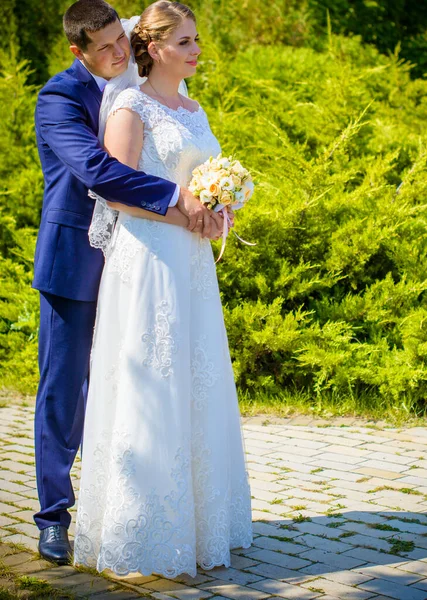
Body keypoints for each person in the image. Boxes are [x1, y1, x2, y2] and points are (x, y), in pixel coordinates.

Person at [33, 0, 223, 564]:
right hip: (76, 261)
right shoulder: (60, 98)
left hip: (141, 261)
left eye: (122, 39)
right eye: (106, 47)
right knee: (65, 393)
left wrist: (213, 205)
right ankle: (52, 518)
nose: (119, 52)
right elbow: (97, 171)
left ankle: (120, 509)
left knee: (134, 391)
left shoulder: (142, 83)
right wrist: (177, 200)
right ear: (79, 51)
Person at [73, 0, 252, 579]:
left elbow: (206, 183)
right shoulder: (130, 107)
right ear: (154, 49)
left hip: (193, 263)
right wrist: (189, 215)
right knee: (154, 377)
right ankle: (144, 527)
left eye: (197, 40)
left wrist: (221, 212)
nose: (197, 51)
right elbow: (120, 193)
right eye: (185, 43)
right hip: (150, 258)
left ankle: (200, 522)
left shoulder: (195, 109)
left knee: (195, 378)